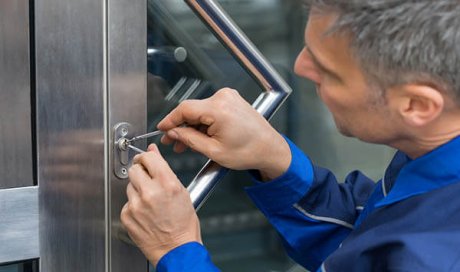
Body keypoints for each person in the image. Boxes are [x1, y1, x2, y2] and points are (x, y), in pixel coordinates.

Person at [120, 1, 460, 271]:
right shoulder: (434, 155)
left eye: (329, 71)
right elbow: (363, 250)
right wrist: (276, 160)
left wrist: (177, 250)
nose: (299, 67)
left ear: (417, 105)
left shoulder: (435, 258)